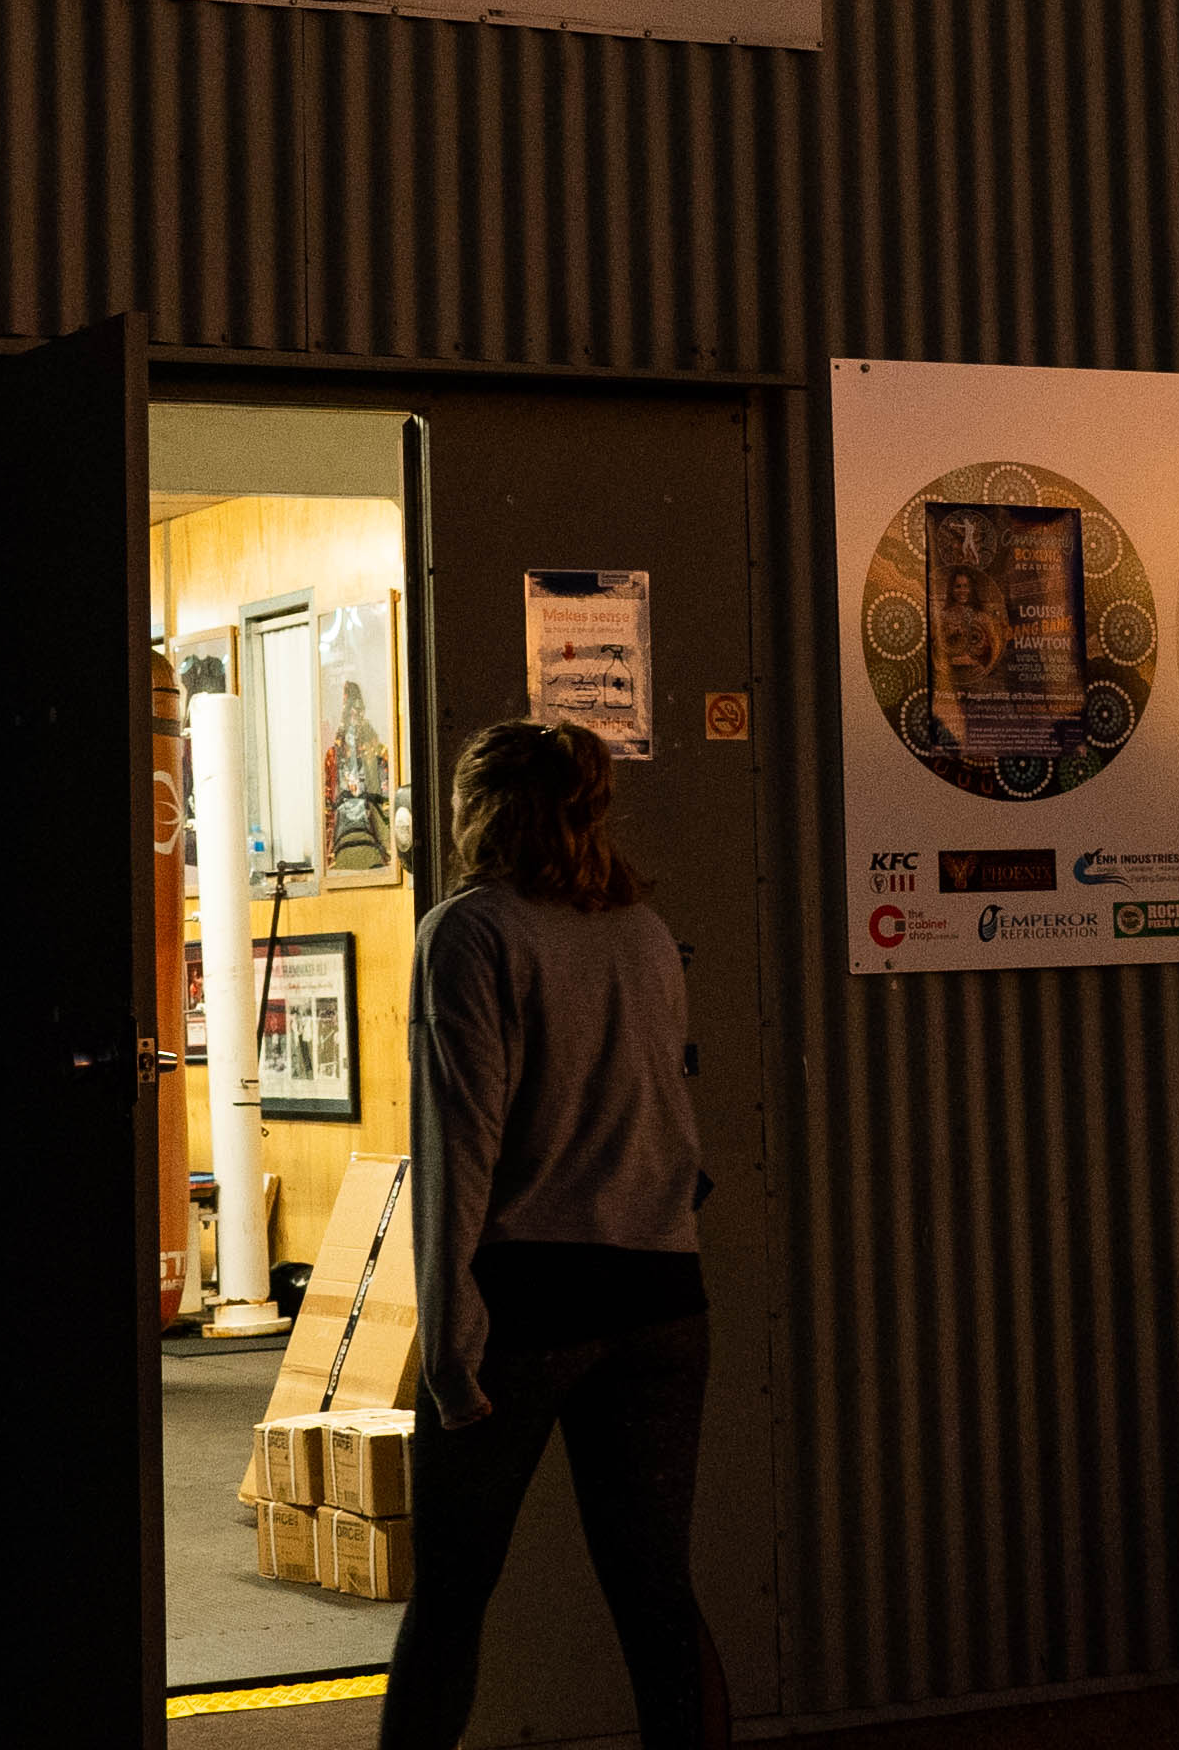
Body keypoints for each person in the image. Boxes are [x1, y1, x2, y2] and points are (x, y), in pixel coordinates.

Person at [381, 719, 725, 1750]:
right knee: (658, 1595)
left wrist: (446, 1349)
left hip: (527, 1308)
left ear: (479, 808)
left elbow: (460, 1150)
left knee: (450, 1596)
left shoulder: (470, 931)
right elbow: (676, 1119)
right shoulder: (644, 932)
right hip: (663, 1297)